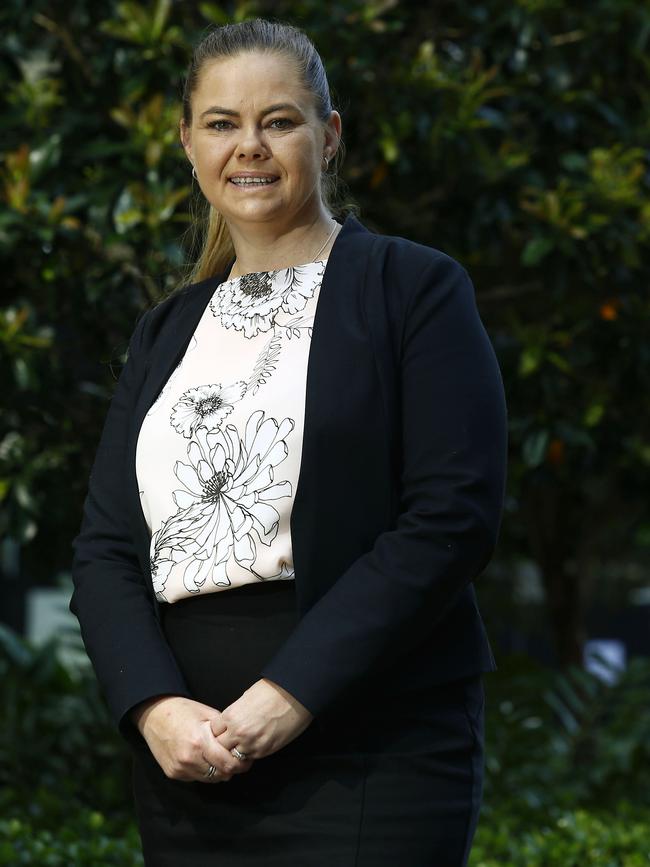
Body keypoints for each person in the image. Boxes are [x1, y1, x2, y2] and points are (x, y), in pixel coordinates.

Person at [70, 16, 508, 867]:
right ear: (188, 145)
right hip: (191, 761)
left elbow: (451, 516)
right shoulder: (167, 330)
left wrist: (290, 691)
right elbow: (106, 548)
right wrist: (154, 706)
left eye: (279, 120)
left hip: (373, 749)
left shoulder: (412, 288)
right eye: (222, 124)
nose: (251, 147)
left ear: (328, 134)